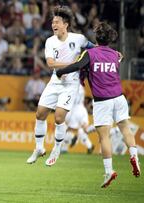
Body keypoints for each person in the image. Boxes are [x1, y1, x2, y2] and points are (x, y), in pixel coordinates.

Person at [56, 22, 141, 188]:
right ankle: (135, 157)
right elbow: (117, 59)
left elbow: (77, 65)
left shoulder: (90, 53)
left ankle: (109, 171)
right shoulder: (116, 55)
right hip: (119, 97)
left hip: (103, 101)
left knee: (104, 137)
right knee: (125, 128)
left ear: (96, 37)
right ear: (110, 39)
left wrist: (60, 71)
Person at [26, 6, 94, 166]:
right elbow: (50, 63)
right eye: (52, 22)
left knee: (58, 117)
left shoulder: (79, 39)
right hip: (54, 82)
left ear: (66, 24)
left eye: (57, 22)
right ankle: (39, 148)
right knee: (40, 114)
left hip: (70, 85)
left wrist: (110, 53)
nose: (53, 25)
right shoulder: (50, 41)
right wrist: (74, 64)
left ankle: (56, 149)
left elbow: (95, 49)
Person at [61, 85, 94, 154]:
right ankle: (89, 145)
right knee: (83, 129)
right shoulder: (81, 87)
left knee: (69, 129)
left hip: (74, 109)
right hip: (82, 109)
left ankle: (64, 148)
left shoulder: (71, 86)